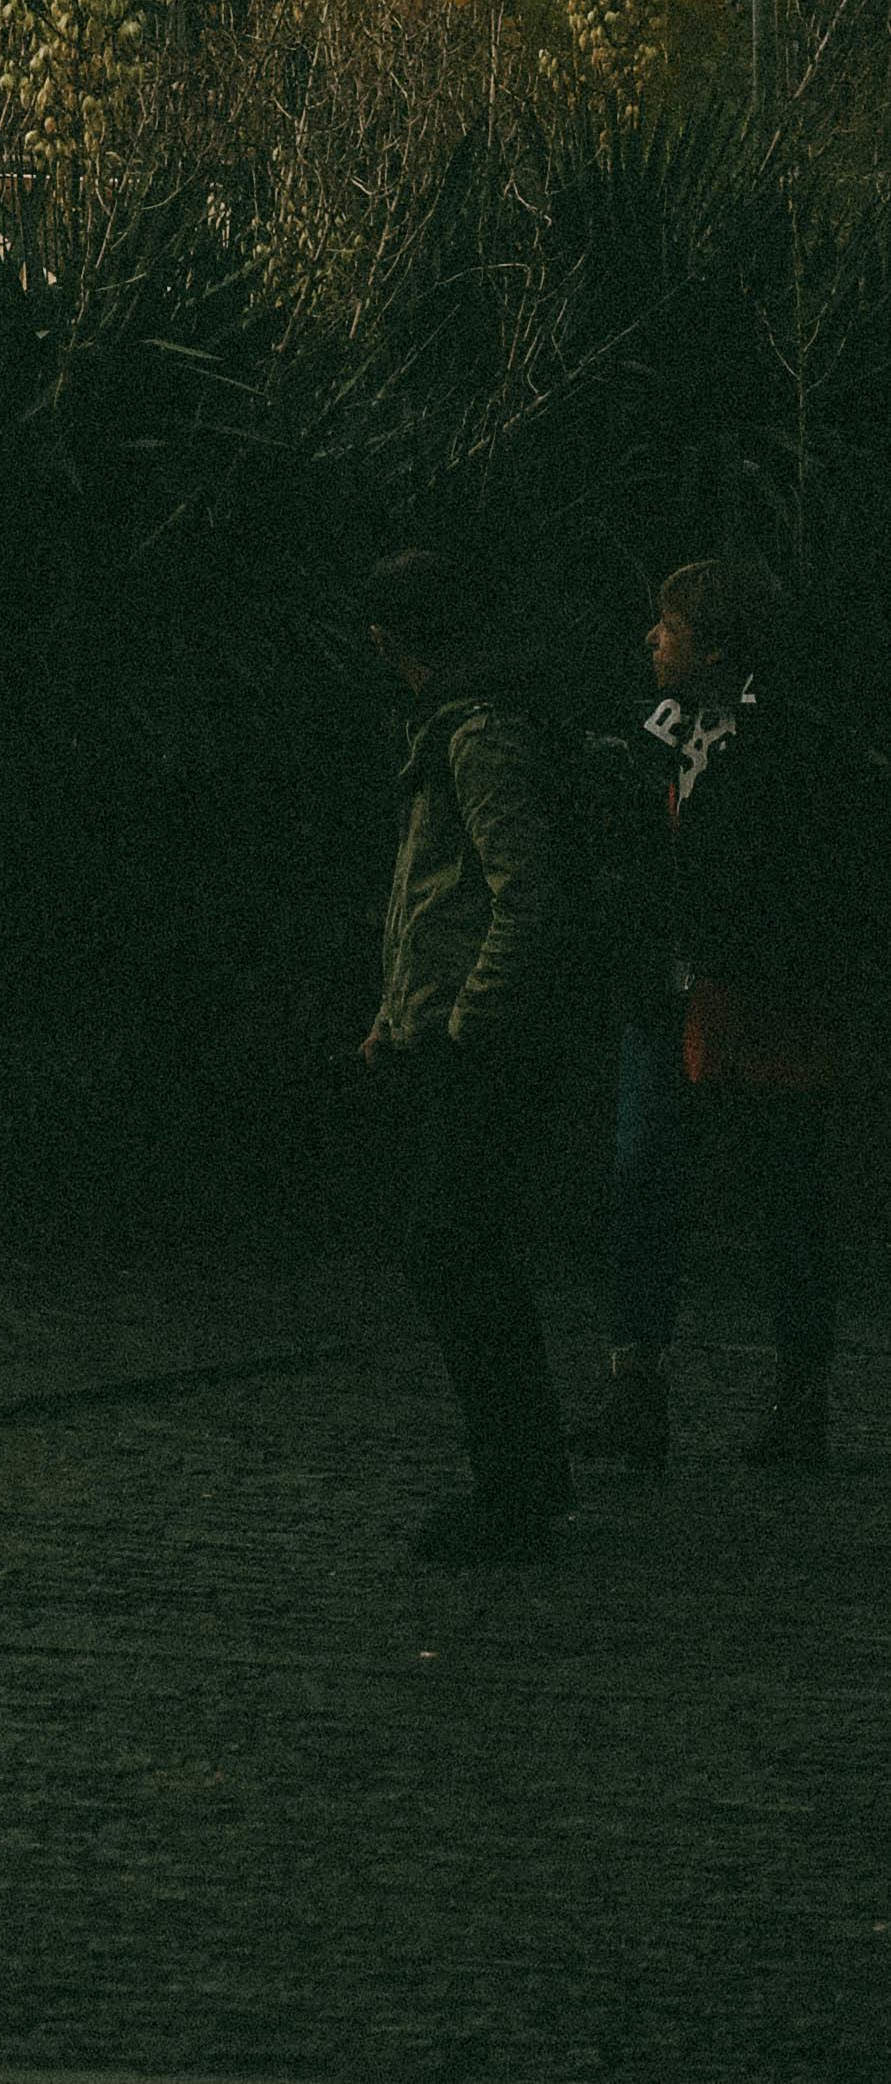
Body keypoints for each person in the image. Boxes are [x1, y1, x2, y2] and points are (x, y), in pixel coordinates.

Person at [583, 555, 839, 1479]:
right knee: (643, 1171)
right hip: (665, 987)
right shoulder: (652, 730)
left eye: (670, 623)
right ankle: (635, 1384)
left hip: (753, 993)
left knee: (782, 1194)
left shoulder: (785, 740)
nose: (653, 637)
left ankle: (799, 1399)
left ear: (714, 641)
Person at [360, 542, 573, 1565]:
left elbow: (516, 889)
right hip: (453, 1027)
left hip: (478, 1038)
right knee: (459, 1245)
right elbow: (433, 896)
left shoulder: (475, 730)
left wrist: (465, 1018)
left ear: (387, 637)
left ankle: (515, 1483)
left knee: (449, 1243)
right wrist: (398, 1012)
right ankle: (523, 1476)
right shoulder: (458, 721)